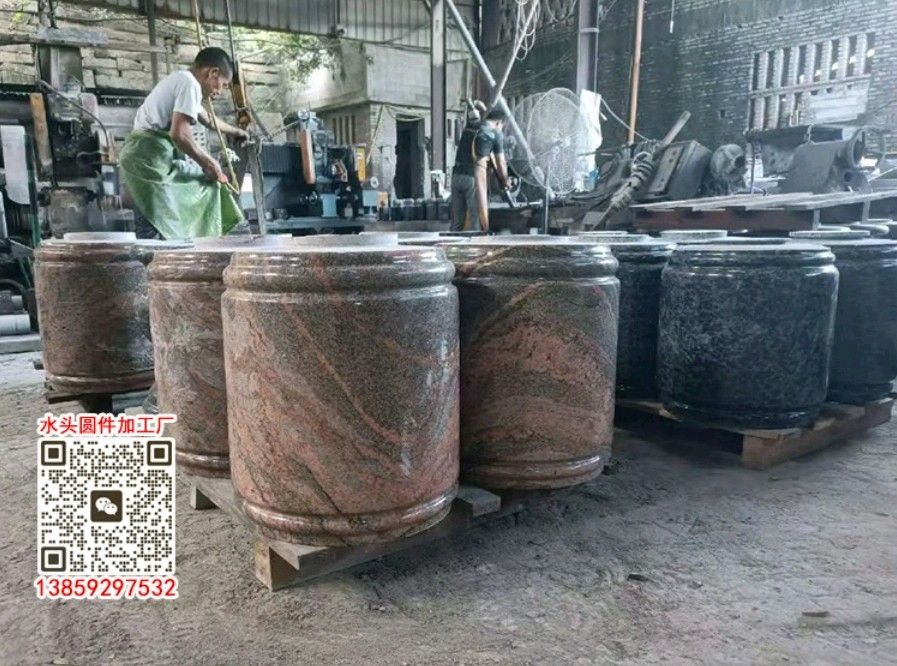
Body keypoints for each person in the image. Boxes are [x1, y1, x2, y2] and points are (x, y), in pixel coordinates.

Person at [119, 47, 250, 239]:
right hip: (146, 160)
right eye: (222, 84)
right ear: (213, 73)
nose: (219, 92)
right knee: (154, 227)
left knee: (200, 186)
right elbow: (179, 134)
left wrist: (236, 132)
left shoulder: (183, 80)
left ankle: (196, 242)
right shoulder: (189, 84)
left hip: (148, 157)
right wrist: (209, 164)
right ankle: (157, 256)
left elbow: (208, 119)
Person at [450, 107, 510, 232]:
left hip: (456, 176)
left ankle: (452, 243)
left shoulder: (469, 128)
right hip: (472, 178)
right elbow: (501, 163)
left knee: (457, 222)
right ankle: (478, 243)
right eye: (502, 127)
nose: (501, 130)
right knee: (476, 218)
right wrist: (505, 181)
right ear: (499, 122)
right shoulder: (494, 133)